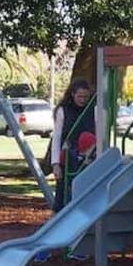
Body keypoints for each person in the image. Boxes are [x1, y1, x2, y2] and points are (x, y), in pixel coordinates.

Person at [50, 79, 95, 212]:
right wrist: (55, 164)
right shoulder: (63, 111)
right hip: (68, 157)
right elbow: (57, 137)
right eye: (79, 96)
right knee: (62, 193)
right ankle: (58, 215)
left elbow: (98, 135)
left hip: (87, 156)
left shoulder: (93, 110)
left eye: (86, 97)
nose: (83, 100)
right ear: (72, 94)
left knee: (83, 190)